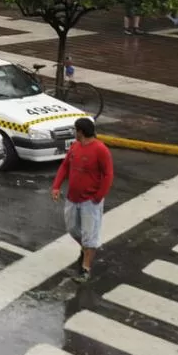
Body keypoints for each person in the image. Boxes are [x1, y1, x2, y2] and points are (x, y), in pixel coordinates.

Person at [51, 118, 114, 283]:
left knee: (89, 236)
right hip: (73, 198)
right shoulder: (75, 147)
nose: (74, 133)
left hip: (90, 201)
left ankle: (86, 268)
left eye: (75, 130)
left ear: (81, 132)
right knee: (72, 229)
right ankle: (86, 249)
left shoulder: (100, 150)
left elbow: (108, 175)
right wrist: (56, 186)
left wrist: (98, 196)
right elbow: (65, 166)